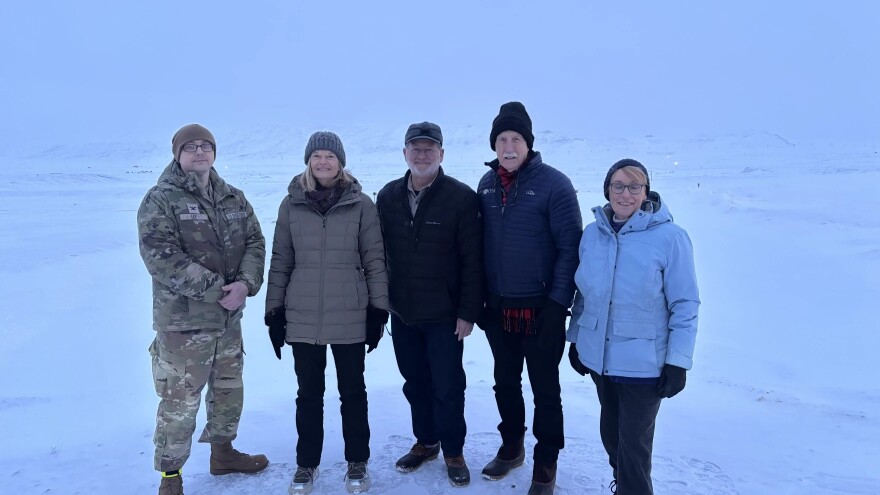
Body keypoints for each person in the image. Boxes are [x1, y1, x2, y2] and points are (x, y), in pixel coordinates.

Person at [138, 123, 269, 495]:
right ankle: (170, 477)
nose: (199, 152)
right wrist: (217, 290)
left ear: (214, 152)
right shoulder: (161, 199)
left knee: (228, 391)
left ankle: (223, 454)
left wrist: (245, 284)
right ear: (177, 154)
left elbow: (256, 242)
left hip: (228, 320)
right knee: (179, 401)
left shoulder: (233, 198)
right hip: (184, 325)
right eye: (190, 147)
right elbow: (161, 256)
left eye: (205, 146)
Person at [264, 131, 389, 495]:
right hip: (302, 313)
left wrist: (378, 308)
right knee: (308, 393)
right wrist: (274, 310)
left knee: (352, 391)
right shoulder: (291, 204)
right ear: (308, 161)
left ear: (340, 162)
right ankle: (307, 464)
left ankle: (357, 461)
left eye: (329, 157)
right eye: (316, 156)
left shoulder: (361, 203)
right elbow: (281, 259)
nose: (322, 162)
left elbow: (374, 259)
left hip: (350, 311)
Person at [567, 158, 700, 495]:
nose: (625, 194)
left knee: (634, 446)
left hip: (645, 364)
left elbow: (684, 304)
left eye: (634, 186)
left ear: (646, 191)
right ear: (607, 190)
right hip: (601, 359)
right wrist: (578, 339)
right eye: (618, 186)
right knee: (611, 435)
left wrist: (678, 361)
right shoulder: (592, 235)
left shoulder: (670, 237)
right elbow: (583, 293)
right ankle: (623, 483)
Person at [475, 102, 583, 495]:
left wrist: (557, 306)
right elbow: (479, 245)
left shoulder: (554, 184)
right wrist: (482, 301)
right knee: (505, 383)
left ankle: (546, 461)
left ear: (528, 143)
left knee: (545, 390)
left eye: (515, 138)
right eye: (501, 139)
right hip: (499, 308)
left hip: (541, 310)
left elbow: (571, 248)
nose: (508, 145)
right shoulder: (485, 186)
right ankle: (512, 446)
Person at [376, 122, 483, 487]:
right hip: (403, 313)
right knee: (415, 383)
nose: (422, 155)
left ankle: (453, 449)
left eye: (429, 148)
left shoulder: (461, 197)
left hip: (445, 315)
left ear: (442, 154)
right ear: (405, 153)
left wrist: (468, 311)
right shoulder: (388, 196)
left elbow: (473, 260)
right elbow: (379, 256)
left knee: (448, 384)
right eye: (415, 148)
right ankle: (426, 441)